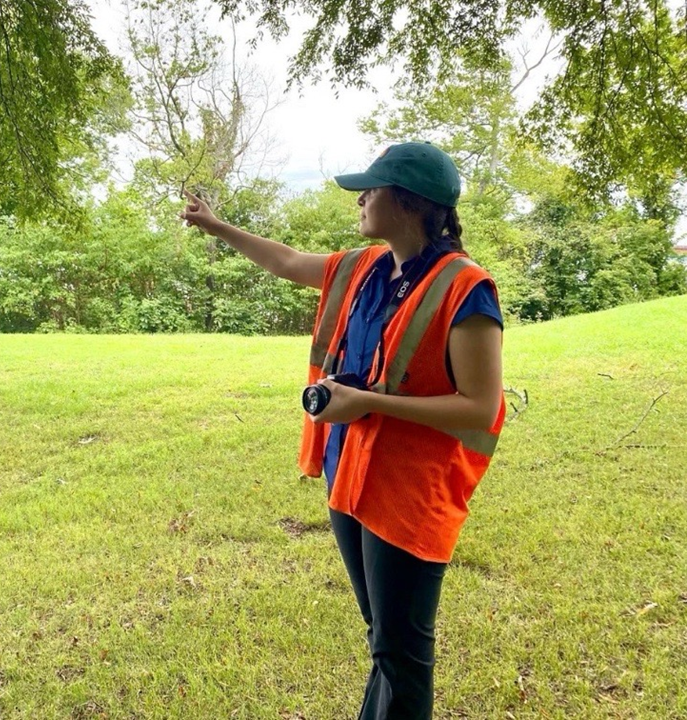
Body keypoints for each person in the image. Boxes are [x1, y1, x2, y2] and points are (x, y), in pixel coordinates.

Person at [179, 141, 505, 719]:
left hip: (409, 490)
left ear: (408, 202)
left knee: (402, 653)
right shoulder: (363, 268)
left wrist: (366, 402)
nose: (360, 200)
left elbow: (480, 407)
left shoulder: (466, 288)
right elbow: (285, 262)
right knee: (383, 638)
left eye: (370, 191)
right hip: (349, 475)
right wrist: (216, 226)